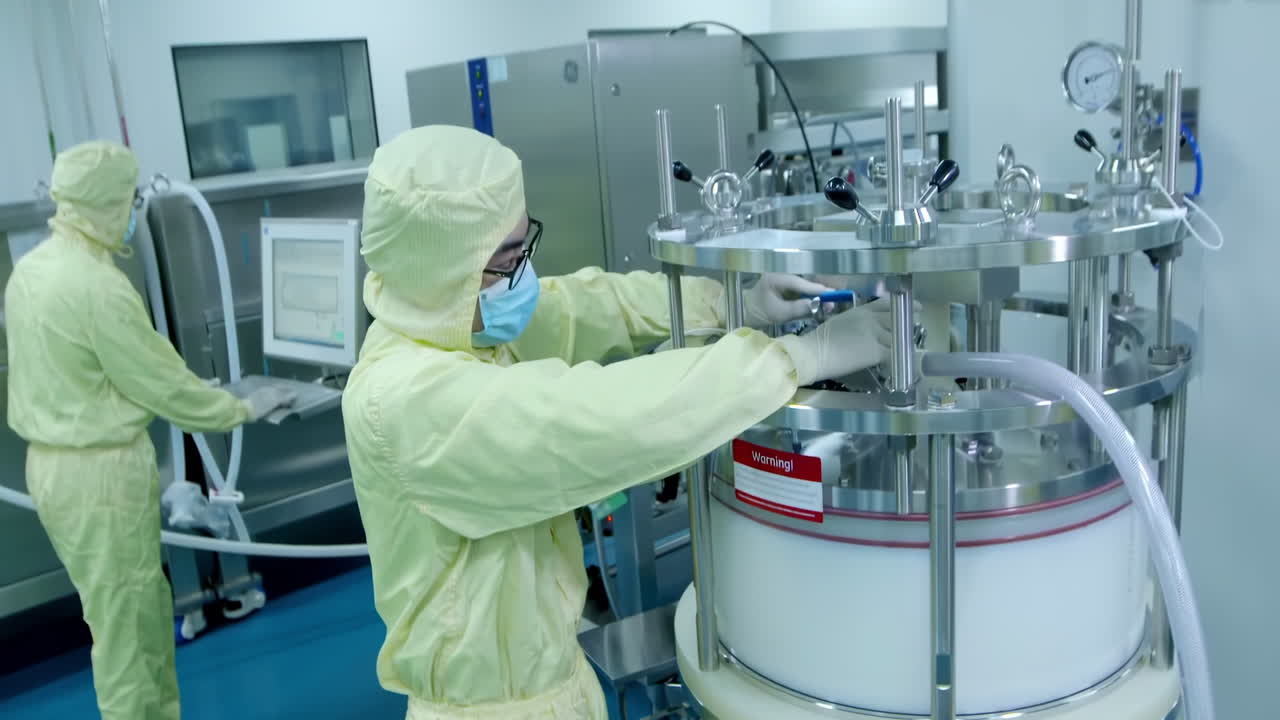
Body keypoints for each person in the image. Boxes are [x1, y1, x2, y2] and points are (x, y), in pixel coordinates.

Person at [342, 125, 890, 720]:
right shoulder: (403, 400)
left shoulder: (460, 324)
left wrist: (734, 304)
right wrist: (800, 358)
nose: (525, 275)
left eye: (525, 246)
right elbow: (598, 418)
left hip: (559, 682)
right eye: (508, 261)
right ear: (445, 275)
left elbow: (588, 303)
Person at [4, 140, 294, 720]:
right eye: (130, 197)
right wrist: (243, 406)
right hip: (99, 475)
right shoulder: (96, 286)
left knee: (130, 608)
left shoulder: (31, 270)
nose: (135, 208)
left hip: (58, 466)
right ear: (106, 202)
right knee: (127, 631)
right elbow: (164, 386)